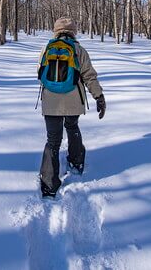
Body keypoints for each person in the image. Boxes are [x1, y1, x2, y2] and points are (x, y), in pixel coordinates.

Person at [37, 17, 105, 198]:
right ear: (73, 31)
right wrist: (99, 96)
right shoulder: (79, 50)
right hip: (74, 100)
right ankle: (76, 162)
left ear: (56, 30)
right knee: (72, 127)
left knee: (53, 140)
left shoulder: (47, 48)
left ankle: (49, 183)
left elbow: (39, 72)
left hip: (51, 101)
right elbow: (89, 76)